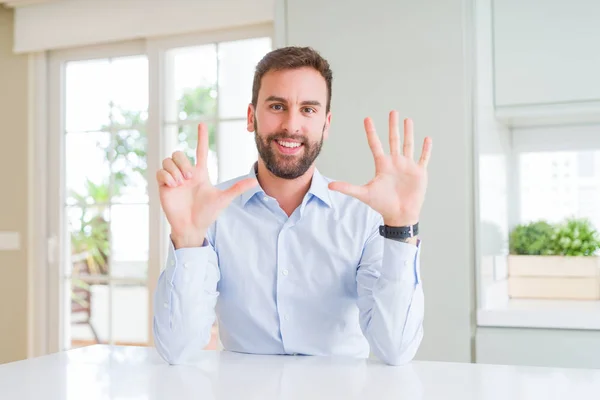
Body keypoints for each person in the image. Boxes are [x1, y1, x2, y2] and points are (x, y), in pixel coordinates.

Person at [153, 46, 432, 366]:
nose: (291, 124)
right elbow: (177, 349)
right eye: (276, 106)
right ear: (250, 116)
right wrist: (188, 240)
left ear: (326, 124)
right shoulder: (211, 212)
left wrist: (401, 226)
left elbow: (395, 350)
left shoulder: (363, 218)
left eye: (308, 109)